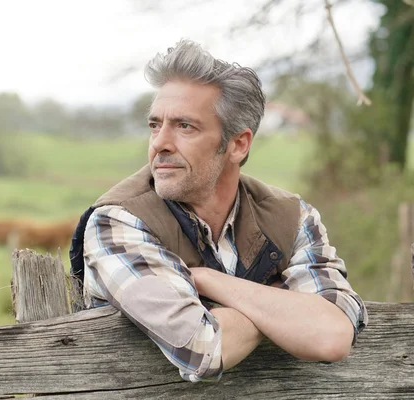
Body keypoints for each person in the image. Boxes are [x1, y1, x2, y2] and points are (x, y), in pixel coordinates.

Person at [69, 39, 368, 382]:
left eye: (185, 126)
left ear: (238, 144)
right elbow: (202, 346)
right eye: (155, 125)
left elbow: (331, 336)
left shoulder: (293, 217)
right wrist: (281, 305)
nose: (160, 143)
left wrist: (208, 281)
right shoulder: (118, 221)